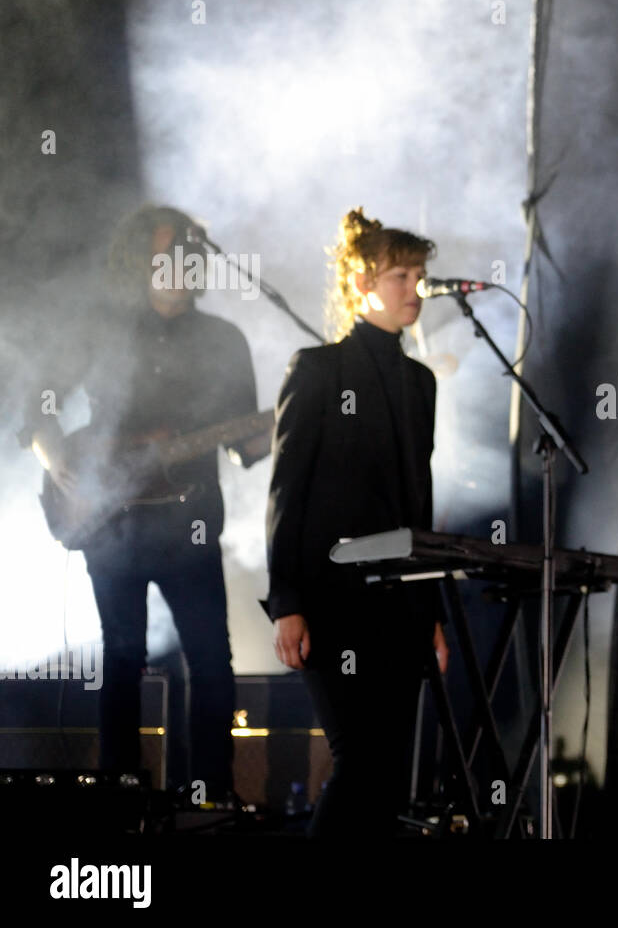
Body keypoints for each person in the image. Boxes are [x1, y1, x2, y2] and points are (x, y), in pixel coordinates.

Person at [18, 205, 268, 805]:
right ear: (139, 263)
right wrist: (62, 467)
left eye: (186, 254)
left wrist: (279, 428)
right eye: (164, 255)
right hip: (113, 525)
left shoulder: (223, 340)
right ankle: (118, 798)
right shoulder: (102, 329)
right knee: (123, 655)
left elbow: (247, 448)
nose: (178, 265)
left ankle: (210, 798)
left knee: (210, 663)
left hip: (193, 526)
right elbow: (40, 409)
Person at [263, 207, 447, 837]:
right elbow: (286, 491)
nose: (414, 288)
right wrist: (287, 601)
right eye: (400, 274)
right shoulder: (317, 369)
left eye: (419, 274)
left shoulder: (421, 383)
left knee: (388, 771)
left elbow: (417, 502)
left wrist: (434, 613)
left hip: (402, 606)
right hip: (332, 599)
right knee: (359, 758)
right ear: (361, 283)